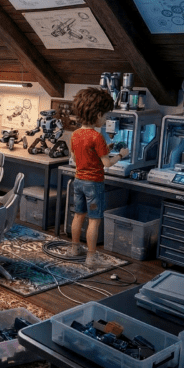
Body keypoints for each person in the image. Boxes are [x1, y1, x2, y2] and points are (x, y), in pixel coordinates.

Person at [69, 87, 129, 269]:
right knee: (94, 220)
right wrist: (121, 155)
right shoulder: (97, 137)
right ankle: (91, 257)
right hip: (93, 185)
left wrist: (105, 149)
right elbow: (107, 164)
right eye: (105, 115)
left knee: (78, 215)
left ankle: (74, 248)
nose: (106, 119)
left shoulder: (75, 134)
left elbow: (76, 158)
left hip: (78, 181)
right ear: (97, 115)